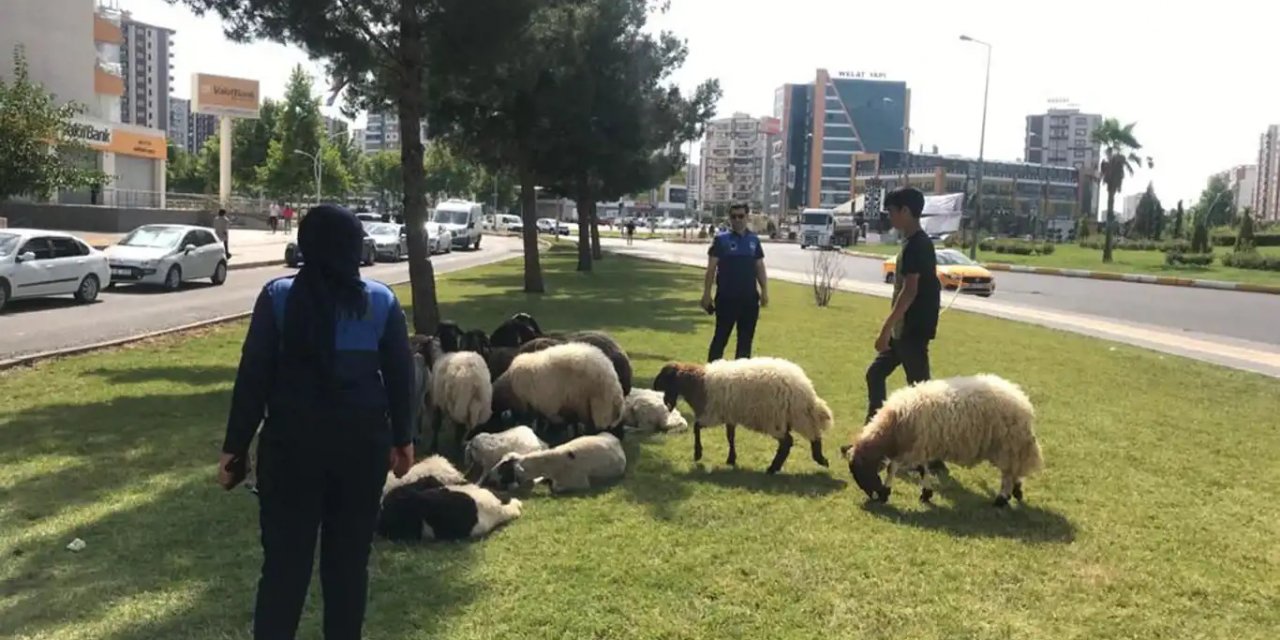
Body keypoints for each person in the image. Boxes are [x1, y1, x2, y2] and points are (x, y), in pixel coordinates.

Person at [216, 204, 416, 640]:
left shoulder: (276, 297)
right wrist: (404, 438)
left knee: (284, 570)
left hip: (290, 453)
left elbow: (254, 377)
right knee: (347, 569)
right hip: (361, 453)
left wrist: (235, 448)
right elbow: (402, 377)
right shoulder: (382, 301)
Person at [701, 203, 768, 362]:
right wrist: (706, 295)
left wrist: (764, 290)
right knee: (720, 339)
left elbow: (759, 266)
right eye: (733, 216)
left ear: (747, 217)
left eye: (741, 216)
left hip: (749, 300)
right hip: (726, 299)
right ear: (729, 218)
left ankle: (740, 380)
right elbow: (711, 269)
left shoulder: (753, 240)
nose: (737, 220)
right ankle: (710, 377)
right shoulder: (721, 240)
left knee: (745, 343)